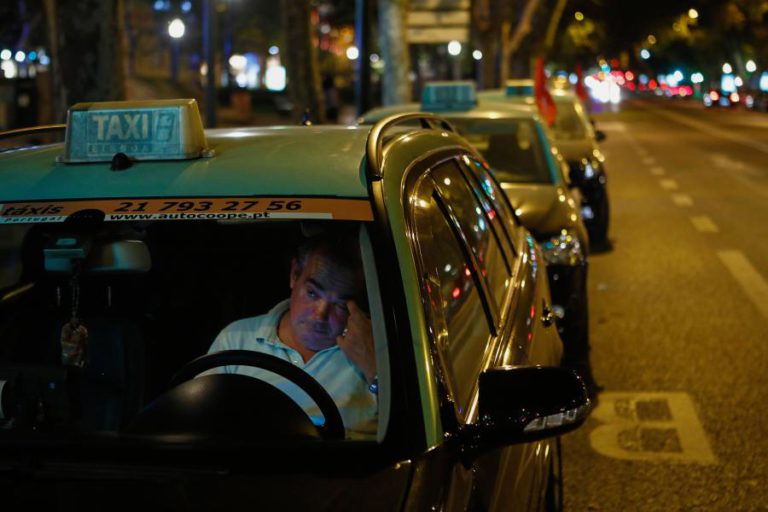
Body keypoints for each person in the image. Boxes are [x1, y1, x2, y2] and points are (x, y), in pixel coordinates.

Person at [207, 229, 378, 438]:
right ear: (294, 275)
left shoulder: (374, 348)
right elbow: (199, 421)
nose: (320, 314)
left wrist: (374, 368)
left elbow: (410, 432)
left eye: (340, 305)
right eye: (312, 293)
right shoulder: (237, 339)